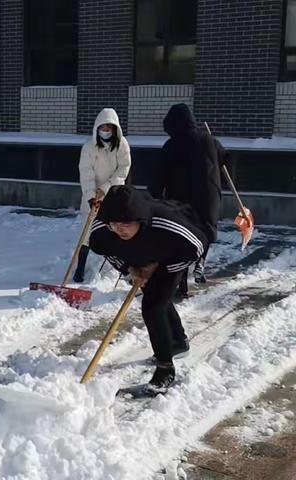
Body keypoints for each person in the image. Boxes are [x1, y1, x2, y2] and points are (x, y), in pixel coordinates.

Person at [89, 185, 208, 394]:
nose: (119, 230)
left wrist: (160, 269)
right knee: (159, 299)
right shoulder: (103, 232)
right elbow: (107, 251)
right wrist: (130, 269)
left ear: (138, 219)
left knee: (153, 305)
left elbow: (197, 249)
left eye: (125, 224)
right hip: (139, 259)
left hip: (171, 259)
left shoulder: (167, 225)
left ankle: (165, 369)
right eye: (113, 224)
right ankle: (178, 341)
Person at [149, 103, 229, 297]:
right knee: (204, 232)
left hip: (181, 202)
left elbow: (158, 175)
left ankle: (181, 285)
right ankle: (200, 260)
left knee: (182, 239)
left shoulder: (172, 145)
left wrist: (154, 198)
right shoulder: (210, 140)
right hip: (208, 200)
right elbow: (226, 159)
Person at [73, 108, 131, 283]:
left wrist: (106, 188)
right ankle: (80, 268)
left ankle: (124, 267)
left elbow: (123, 169)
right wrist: (91, 196)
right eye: (102, 127)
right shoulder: (89, 147)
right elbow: (86, 173)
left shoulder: (122, 145)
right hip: (92, 197)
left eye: (109, 127)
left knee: (117, 230)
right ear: (97, 127)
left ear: (115, 129)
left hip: (113, 194)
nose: (105, 130)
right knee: (87, 233)